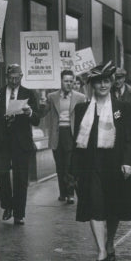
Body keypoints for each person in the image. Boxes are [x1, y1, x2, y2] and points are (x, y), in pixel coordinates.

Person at [67, 61, 131, 261]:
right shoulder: (82, 108)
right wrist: (73, 170)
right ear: (92, 84)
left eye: (106, 81)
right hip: (90, 166)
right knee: (95, 206)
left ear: (111, 83)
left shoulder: (122, 108)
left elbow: (129, 138)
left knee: (113, 209)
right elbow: (76, 140)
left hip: (115, 165)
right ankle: (101, 250)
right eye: (98, 81)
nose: (103, 85)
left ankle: (109, 243)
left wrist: (128, 162)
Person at [0, 63, 42, 225]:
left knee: (20, 179)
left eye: (16, 78)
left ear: (21, 77)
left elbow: (37, 119)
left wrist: (30, 112)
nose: (13, 81)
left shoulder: (29, 93)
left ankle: (19, 213)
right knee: (1, 173)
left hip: (21, 142)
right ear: (6, 77)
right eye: (10, 78)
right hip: (2, 142)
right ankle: (7, 205)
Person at [41, 69, 86, 205]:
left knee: (69, 165)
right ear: (60, 81)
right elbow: (43, 113)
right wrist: (42, 104)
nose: (69, 84)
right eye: (66, 81)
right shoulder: (52, 96)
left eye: (71, 81)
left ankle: (71, 193)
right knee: (59, 165)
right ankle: (62, 193)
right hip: (57, 134)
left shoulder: (80, 97)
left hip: (71, 134)